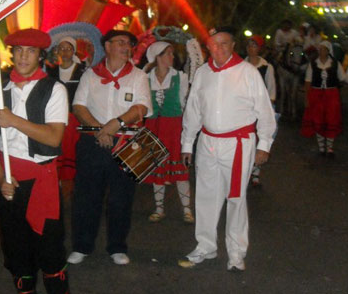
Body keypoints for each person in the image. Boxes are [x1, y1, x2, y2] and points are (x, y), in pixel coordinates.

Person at [0, 28, 70, 294]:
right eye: (18, 51)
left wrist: (13, 120)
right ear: (12, 54)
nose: (23, 57)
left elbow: (54, 138)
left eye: (30, 51)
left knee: (50, 251)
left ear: (40, 56)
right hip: (8, 180)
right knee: (16, 251)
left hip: (42, 181)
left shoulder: (54, 89)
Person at [178, 27, 276, 272]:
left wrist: (264, 144)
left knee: (235, 198)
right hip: (208, 143)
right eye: (214, 44)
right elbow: (193, 110)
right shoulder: (202, 73)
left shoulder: (248, 72)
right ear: (207, 46)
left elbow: (264, 111)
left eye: (224, 43)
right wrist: (187, 143)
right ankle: (206, 246)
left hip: (238, 144)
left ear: (233, 45)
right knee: (206, 196)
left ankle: (236, 251)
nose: (218, 49)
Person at [68, 30, 152, 266]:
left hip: (126, 143)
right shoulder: (90, 75)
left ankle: (117, 246)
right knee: (86, 197)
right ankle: (82, 246)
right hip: (92, 142)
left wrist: (117, 123)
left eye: (130, 44)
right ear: (107, 46)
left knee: (121, 198)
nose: (127, 47)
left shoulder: (138, 76)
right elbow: (78, 106)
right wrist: (100, 130)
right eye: (122, 42)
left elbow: (142, 107)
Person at [142, 41, 194, 224]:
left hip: (173, 127)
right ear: (158, 57)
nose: (172, 57)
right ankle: (159, 208)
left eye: (172, 53)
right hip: (153, 127)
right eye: (168, 54)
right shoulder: (145, 78)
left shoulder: (180, 77)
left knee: (180, 170)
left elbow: (185, 105)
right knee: (158, 168)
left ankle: (187, 210)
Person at [47, 37, 86, 180]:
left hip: (75, 116)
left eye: (68, 48)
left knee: (72, 148)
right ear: (57, 51)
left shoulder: (82, 70)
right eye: (61, 48)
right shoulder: (51, 72)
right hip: (56, 117)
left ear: (74, 51)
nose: (64, 52)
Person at [301, 41, 346, 157]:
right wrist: (306, 98)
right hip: (316, 94)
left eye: (324, 49)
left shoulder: (335, 64)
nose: (322, 52)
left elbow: (342, 78)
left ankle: (330, 147)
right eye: (320, 49)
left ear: (328, 51)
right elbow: (307, 82)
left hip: (331, 94)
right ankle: (321, 147)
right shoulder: (313, 64)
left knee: (332, 119)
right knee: (318, 119)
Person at [245, 34, 276, 187]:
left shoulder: (266, 67)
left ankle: (256, 171)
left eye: (254, 45)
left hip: (259, 109)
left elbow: (271, 91)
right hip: (245, 110)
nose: (251, 48)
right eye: (249, 45)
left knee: (259, 140)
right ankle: (245, 170)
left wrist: (267, 111)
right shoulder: (241, 65)